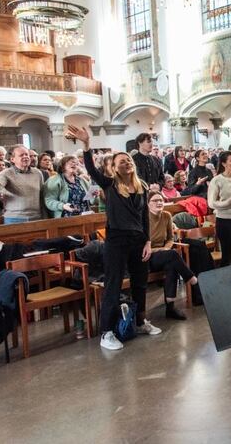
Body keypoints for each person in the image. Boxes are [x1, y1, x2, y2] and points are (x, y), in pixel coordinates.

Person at [66, 125, 162, 351]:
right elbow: (90, 169)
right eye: (121, 161)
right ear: (114, 167)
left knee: (140, 284)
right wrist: (87, 145)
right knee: (113, 285)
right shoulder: (109, 184)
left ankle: (139, 321)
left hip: (138, 240)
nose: (126, 162)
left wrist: (148, 241)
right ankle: (106, 332)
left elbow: (144, 217)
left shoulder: (142, 186)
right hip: (117, 241)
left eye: (128, 160)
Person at [146, 191, 198, 320]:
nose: (159, 203)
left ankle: (170, 307)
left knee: (171, 264)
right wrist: (159, 250)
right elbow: (142, 245)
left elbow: (170, 238)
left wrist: (165, 248)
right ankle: (192, 279)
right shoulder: (144, 218)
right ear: (147, 204)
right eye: (155, 200)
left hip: (164, 253)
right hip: (148, 257)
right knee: (173, 255)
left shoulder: (166, 216)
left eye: (161, 200)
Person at [0, 145, 44, 224]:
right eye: (21, 155)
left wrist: (44, 216)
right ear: (12, 159)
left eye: (27, 154)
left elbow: (42, 195)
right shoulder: (6, 173)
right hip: (14, 218)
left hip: (36, 217)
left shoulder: (37, 173)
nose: (25, 157)